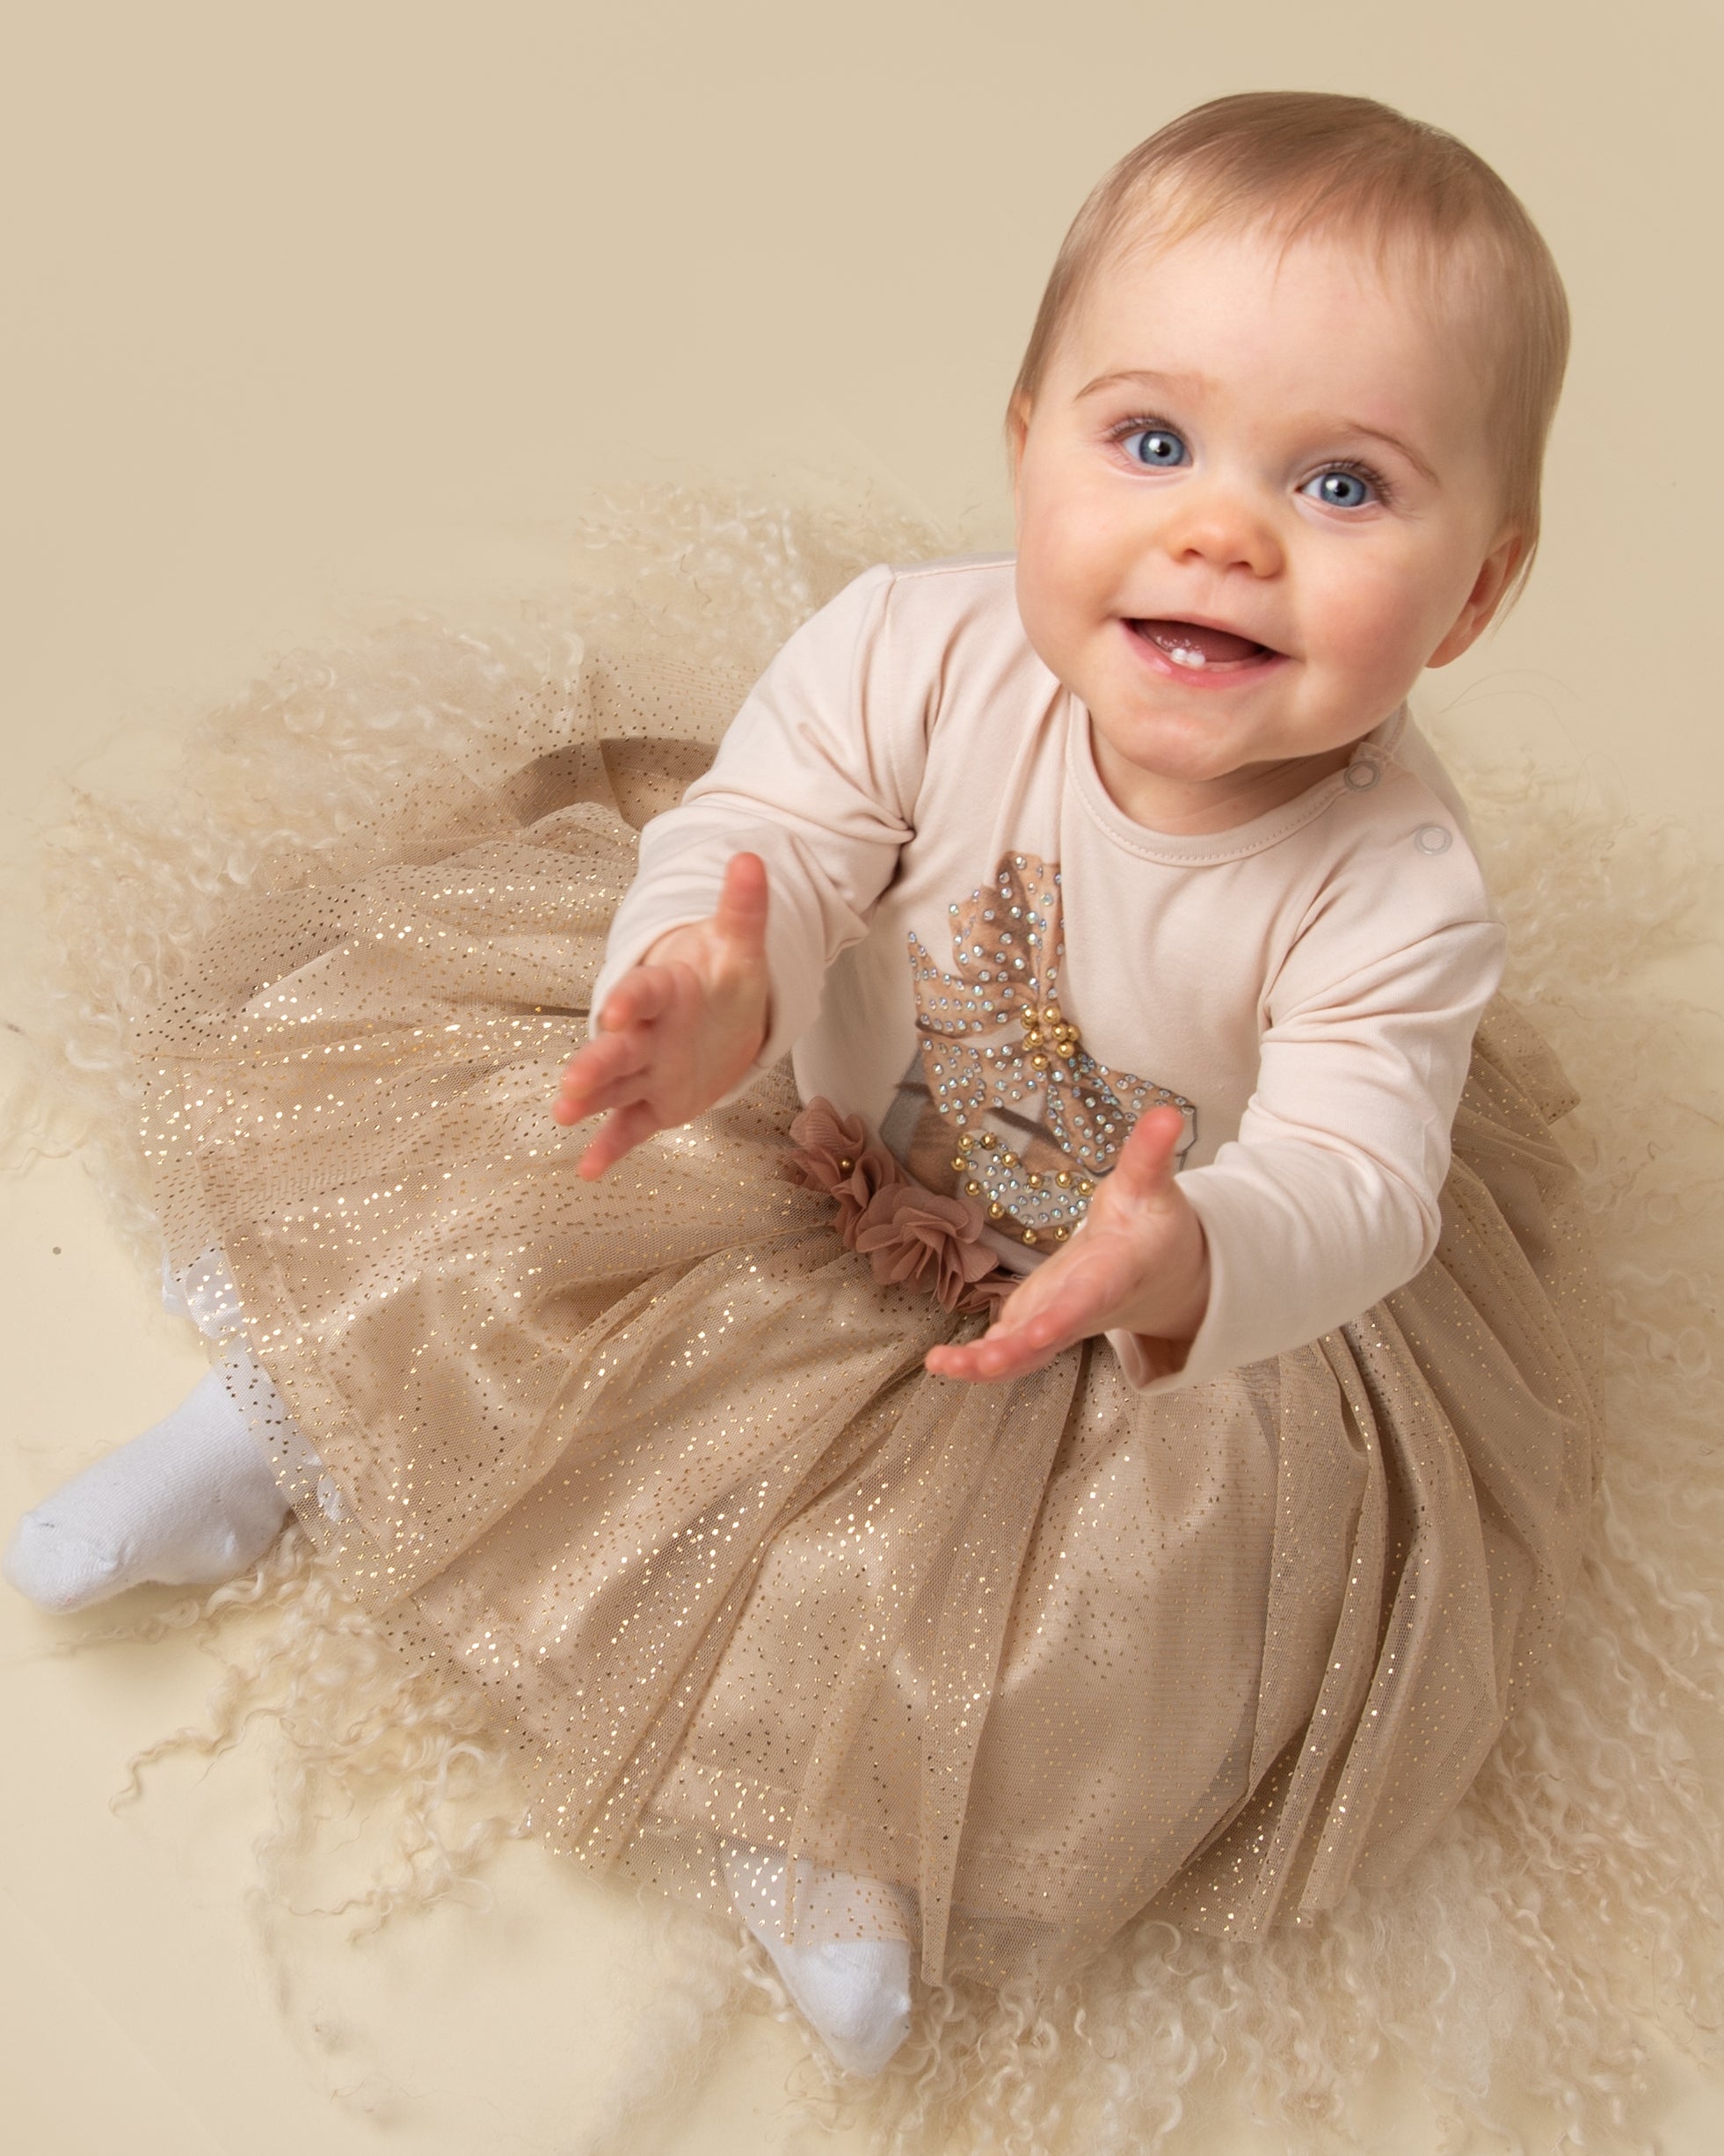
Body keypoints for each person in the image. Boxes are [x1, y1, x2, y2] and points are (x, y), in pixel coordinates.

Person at [4, 91, 1600, 2080]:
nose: (1223, 529)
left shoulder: (1391, 888)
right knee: (509, 1202)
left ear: (1474, 592)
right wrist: (710, 972)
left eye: (1346, 485)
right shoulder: (911, 649)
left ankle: (834, 1809)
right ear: (1027, 444)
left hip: (1105, 1305)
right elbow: (777, 827)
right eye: (1155, 440)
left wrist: (1200, 1252)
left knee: (1067, 1628)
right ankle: (283, 1417)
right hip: (789, 1121)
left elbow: (1366, 1170)